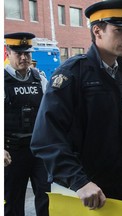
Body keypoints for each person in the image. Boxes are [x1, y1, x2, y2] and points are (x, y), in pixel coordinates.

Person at [30, 1, 122, 215]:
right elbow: (45, 138)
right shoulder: (73, 74)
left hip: (119, 180)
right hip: (83, 190)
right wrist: (79, 181)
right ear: (97, 31)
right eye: (119, 30)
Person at [4, 32, 50, 216]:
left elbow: (50, 111)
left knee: (46, 198)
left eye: (27, 53)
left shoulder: (40, 79)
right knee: (12, 202)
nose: (24, 57)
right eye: (18, 53)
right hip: (11, 153)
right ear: (8, 52)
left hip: (38, 150)